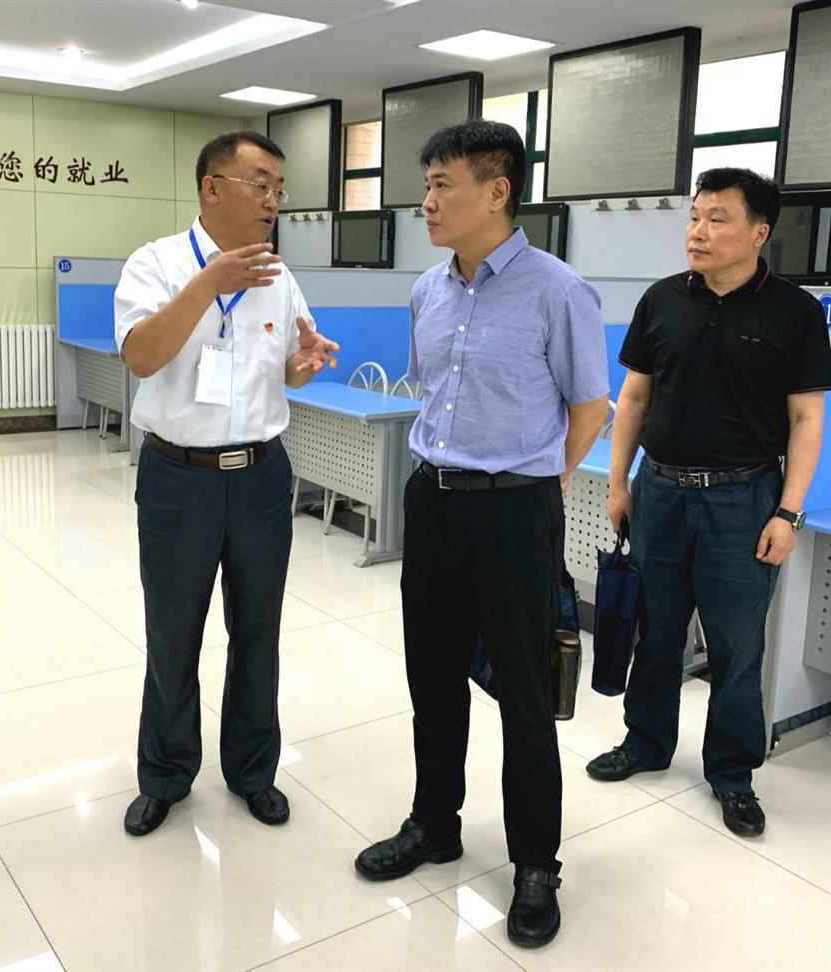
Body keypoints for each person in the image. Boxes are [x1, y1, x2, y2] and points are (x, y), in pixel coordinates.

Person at [354, 120, 609, 949]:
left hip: (513, 511)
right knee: (432, 678)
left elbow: (591, 407)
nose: (425, 202)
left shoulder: (558, 291)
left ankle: (536, 864)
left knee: (525, 694)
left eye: (442, 185)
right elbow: (433, 392)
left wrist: (543, 481)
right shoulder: (428, 291)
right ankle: (435, 824)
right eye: (426, 184)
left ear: (498, 191)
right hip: (432, 500)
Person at [586, 168, 831, 839]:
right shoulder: (662, 300)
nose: (697, 231)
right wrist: (619, 482)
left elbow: (807, 418)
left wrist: (787, 513)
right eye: (694, 216)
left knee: (736, 644)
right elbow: (634, 398)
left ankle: (732, 772)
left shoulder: (794, 312)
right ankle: (646, 743)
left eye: (717, 218)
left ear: (759, 232)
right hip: (661, 491)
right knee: (657, 630)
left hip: (744, 500)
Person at [114, 130, 339, 837]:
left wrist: (304, 362)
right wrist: (206, 286)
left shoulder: (280, 275)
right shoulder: (155, 264)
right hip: (179, 478)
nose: (273, 201)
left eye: (279, 189)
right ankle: (165, 775)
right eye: (260, 184)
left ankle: (252, 771)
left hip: (262, 477)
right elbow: (141, 356)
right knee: (173, 634)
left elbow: (285, 370)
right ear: (213, 187)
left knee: (258, 633)